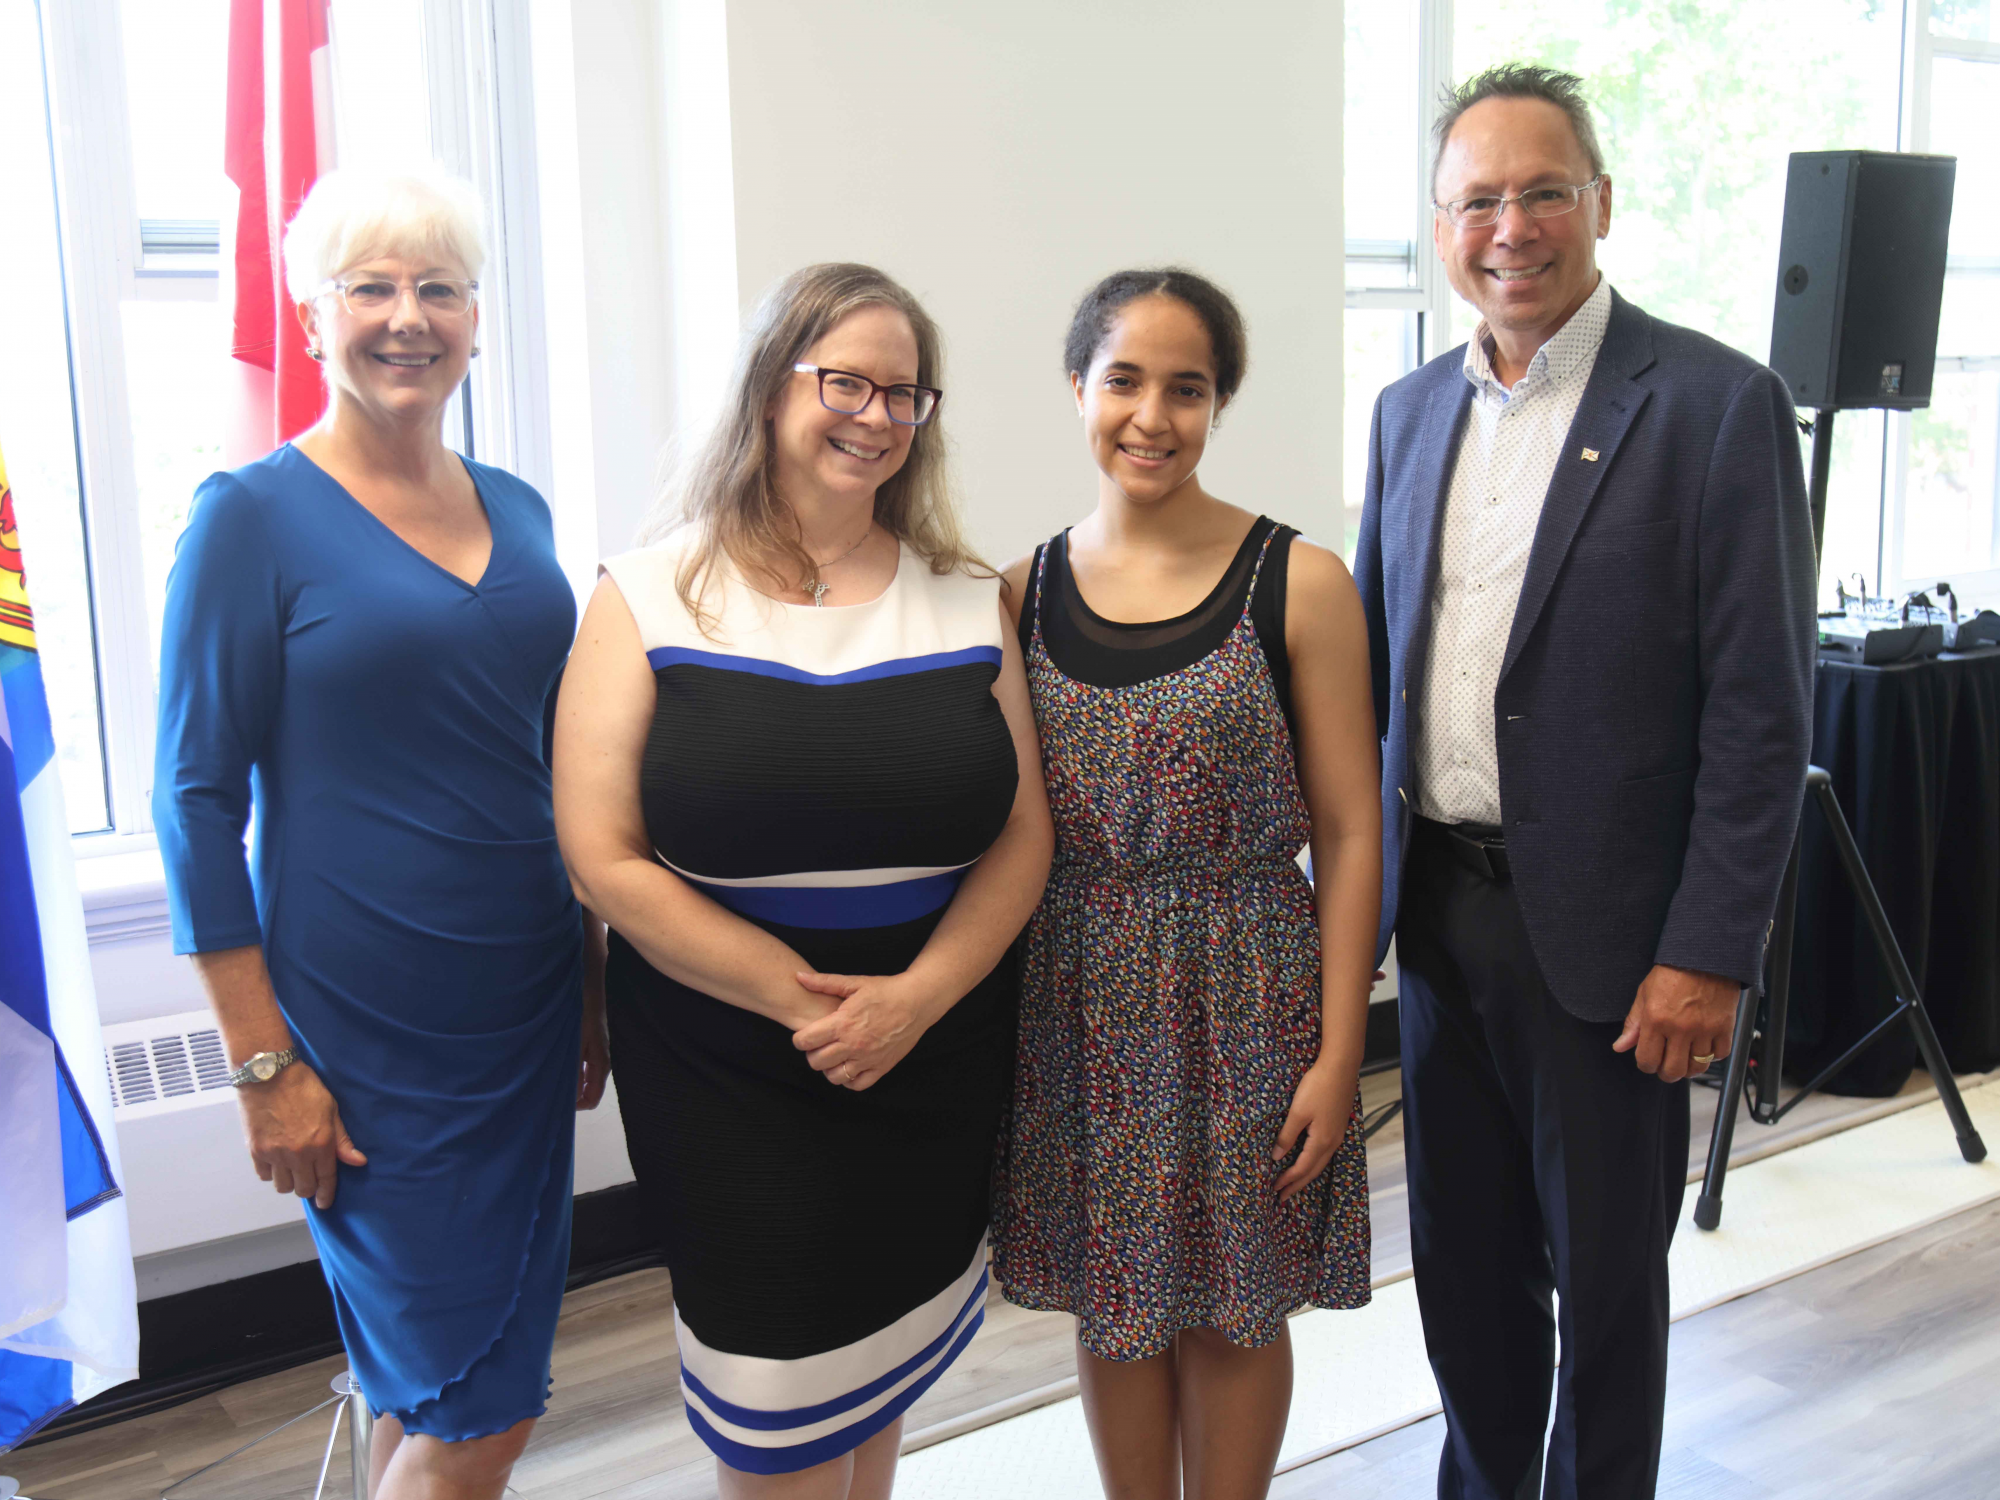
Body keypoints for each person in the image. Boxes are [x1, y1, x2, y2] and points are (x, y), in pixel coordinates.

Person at [1353, 65, 1816, 1499]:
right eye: (1477, 198)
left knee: (1608, 1293)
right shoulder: (1408, 410)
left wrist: (1706, 951)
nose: (1512, 225)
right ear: (1440, 227)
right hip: (1439, 917)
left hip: (1620, 951)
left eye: (1542, 190)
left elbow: (1761, 713)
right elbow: (1381, 670)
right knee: (1468, 1277)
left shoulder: (1720, 408)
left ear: (1600, 203)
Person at [553, 262, 1053, 1499]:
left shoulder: (961, 596)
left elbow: (1022, 838)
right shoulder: (649, 591)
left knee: (875, 1376)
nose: (875, 415)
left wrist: (918, 1000)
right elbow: (600, 852)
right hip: (731, 1069)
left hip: (931, 1053)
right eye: (845, 381)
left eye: (904, 393)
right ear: (771, 388)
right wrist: (810, 1007)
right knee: (775, 1408)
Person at [154, 169, 607, 1500]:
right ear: (312, 320)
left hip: (519, 1014)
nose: (406, 317)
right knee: (482, 1408)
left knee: (448, 1376)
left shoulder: (518, 511)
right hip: (362, 1037)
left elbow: (546, 763)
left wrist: (585, 982)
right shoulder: (247, 518)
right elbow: (194, 801)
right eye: (371, 287)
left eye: (439, 288)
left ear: (476, 318)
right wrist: (262, 1069)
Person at [991, 268, 1379, 1500]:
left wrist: (1335, 1052)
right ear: (1075, 387)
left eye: (1186, 387)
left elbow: (1351, 828)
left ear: (1219, 404)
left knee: (1233, 1310)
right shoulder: (1022, 590)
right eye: (1123, 380)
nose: (1150, 416)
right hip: (1082, 995)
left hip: (1249, 987)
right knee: (1115, 1305)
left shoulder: (1297, 579)